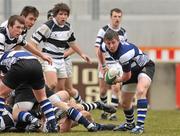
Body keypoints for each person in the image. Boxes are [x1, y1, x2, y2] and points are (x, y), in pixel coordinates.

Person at [98, 30, 155, 134]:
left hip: (145, 66)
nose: (111, 46)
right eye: (108, 43)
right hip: (131, 71)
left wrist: (116, 81)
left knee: (141, 91)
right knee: (124, 103)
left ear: (118, 41)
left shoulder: (124, 53)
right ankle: (130, 124)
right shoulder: (104, 45)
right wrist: (103, 65)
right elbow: (99, 51)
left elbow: (126, 76)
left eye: (113, 43)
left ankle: (140, 126)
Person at [31, 3, 91, 103]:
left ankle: (54, 110)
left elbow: (72, 43)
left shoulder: (68, 27)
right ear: (55, 15)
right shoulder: (47, 26)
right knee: (52, 84)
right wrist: (39, 56)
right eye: (61, 14)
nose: (63, 16)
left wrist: (82, 54)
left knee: (61, 89)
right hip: (49, 59)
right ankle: (36, 102)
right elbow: (32, 42)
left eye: (65, 14)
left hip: (61, 61)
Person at [0, 50, 58, 132]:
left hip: (21, 65)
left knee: (1, 94)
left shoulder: (4, 60)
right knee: (42, 98)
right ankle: (53, 125)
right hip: (36, 63)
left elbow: (5, 81)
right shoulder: (9, 55)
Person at [46, 8, 84, 104]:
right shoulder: (47, 29)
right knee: (52, 86)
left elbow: (73, 47)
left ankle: (82, 104)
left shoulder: (66, 28)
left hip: (64, 61)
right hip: (51, 61)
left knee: (68, 89)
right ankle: (55, 108)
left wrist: (63, 55)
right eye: (50, 18)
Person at [94, 8, 126, 120]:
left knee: (116, 87)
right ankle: (105, 110)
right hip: (105, 62)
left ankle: (112, 114)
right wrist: (103, 65)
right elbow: (97, 48)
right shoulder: (103, 30)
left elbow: (124, 48)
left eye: (119, 16)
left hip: (117, 64)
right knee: (103, 90)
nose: (117, 19)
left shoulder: (123, 32)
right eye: (115, 16)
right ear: (110, 17)